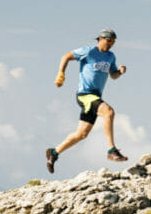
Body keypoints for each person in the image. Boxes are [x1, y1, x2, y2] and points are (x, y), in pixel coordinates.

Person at [45, 28, 129, 173]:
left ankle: (54, 153)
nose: (110, 44)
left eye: (113, 42)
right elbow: (65, 56)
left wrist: (120, 72)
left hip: (96, 97)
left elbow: (113, 75)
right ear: (101, 39)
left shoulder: (111, 57)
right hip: (85, 94)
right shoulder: (88, 51)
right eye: (109, 41)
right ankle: (111, 150)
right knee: (108, 112)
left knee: (81, 134)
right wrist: (61, 75)